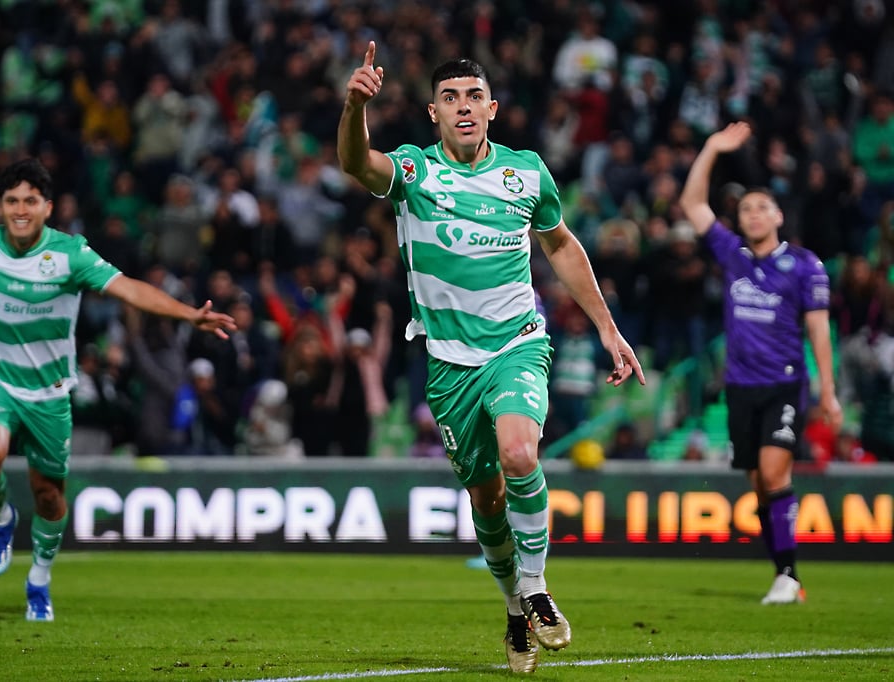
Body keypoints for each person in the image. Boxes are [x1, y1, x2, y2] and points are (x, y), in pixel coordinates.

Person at [337, 42, 645, 673]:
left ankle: (535, 586)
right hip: (449, 363)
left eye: (474, 96)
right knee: (486, 498)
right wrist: (353, 107)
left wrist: (608, 329)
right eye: (450, 98)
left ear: (493, 108)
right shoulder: (415, 173)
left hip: (516, 343)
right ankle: (513, 607)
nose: (463, 107)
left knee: (519, 453)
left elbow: (560, 247)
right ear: (433, 113)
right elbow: (355, 165)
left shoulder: (526, 173)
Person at [0, 158, 235, 621]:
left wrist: (188, 314)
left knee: (49, 496)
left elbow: (130, 290)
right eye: (11, 201)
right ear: (0, 207)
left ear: (46, 207)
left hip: (49, 392)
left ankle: (39, 578)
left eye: (29, 201)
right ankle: (2, 518)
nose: (20, 209)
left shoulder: (71, 255)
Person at [679, 121, 842, 605]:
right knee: (760, 486)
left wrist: (828, 391)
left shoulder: (805, 266)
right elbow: (692, 204)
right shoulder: (735, 257)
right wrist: (710, 147)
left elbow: (818, 330)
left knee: (774, 476)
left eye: (759, 207)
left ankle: (788, 575)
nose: (750, 215)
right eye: (744, 209)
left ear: (777, 216)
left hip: (784, 385)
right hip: (740, 387)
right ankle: (785, 576)